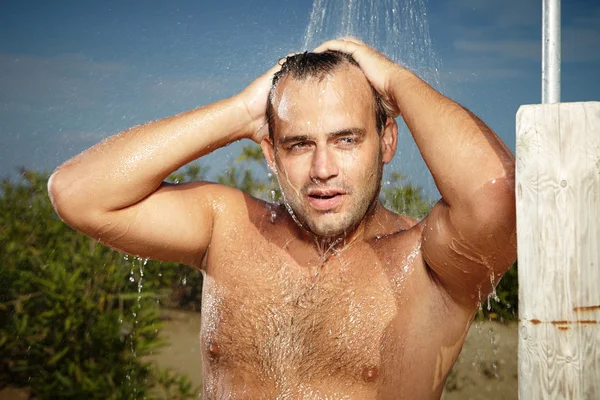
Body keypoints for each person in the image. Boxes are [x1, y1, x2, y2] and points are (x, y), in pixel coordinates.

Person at [48, 38, 516, 399]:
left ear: (387, 141)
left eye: (347, 140)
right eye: (299, 144)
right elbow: (78, 193)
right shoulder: (228, 227)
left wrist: (392, 79)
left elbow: (496, 197)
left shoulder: (429, 263)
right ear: (270, 152)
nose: (323, 170)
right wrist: (241, 112)